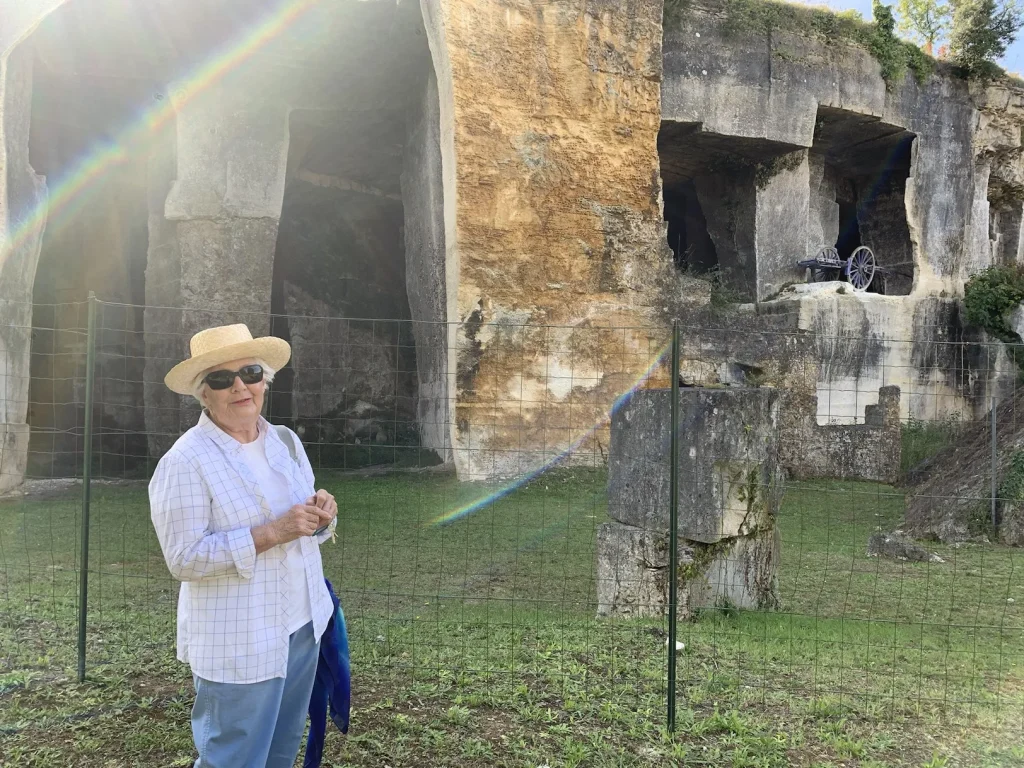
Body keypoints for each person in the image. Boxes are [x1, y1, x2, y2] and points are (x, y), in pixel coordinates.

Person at [149, 323, 338, 768]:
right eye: (221, 378)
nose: (239, 386)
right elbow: (184, 558)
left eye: (250, 373)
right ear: (204, 394)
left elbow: (307, 528)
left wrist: (321, 516)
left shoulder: (285, 442)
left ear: (264, 381)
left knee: (280, 747)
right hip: (240, 637)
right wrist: (272, 532)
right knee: (233, 757)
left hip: (301, 624)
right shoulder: (184, 461)